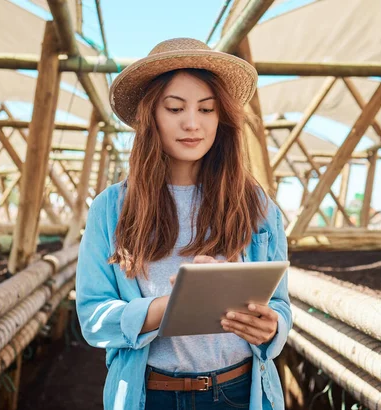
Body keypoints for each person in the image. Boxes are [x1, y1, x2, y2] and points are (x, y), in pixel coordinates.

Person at [75, 37, 292, 410]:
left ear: (221, 117)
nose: (192, 123)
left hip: (240, 391)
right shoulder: (111, 209)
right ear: (150, 116)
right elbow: (94, 317)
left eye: (206, 109)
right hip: (152, 394)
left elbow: (280, 305)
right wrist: (170, 306)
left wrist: (271, 328)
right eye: (175, 108)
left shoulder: (256, 205)